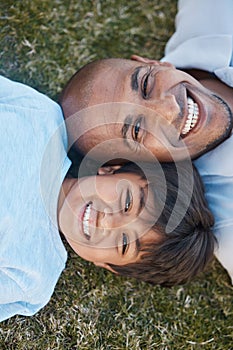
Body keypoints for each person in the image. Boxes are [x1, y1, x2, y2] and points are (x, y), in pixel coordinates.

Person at [0, 75, 215, 322]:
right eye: (127, 202)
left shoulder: (33, 278)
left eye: (124, 242)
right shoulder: (42, 118)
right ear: (111, 169)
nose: (108, 222)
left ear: (108, 266)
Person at [59, 0, 233, 283]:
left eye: (145, 85)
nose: (169, 109)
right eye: (137, 131)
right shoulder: (228, 220)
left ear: (150, 63)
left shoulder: (208, 13)